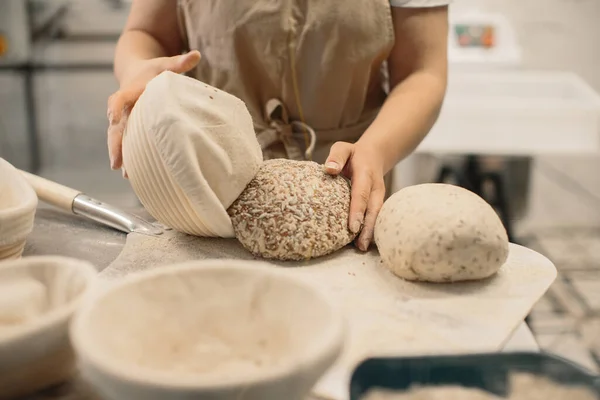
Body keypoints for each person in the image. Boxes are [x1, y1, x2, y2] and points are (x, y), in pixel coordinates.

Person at [107, 0, 450, 252]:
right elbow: (145, 33)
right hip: (208, 177)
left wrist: (376, 150)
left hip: (349, 176)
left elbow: (423, 72)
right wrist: (136, 70)